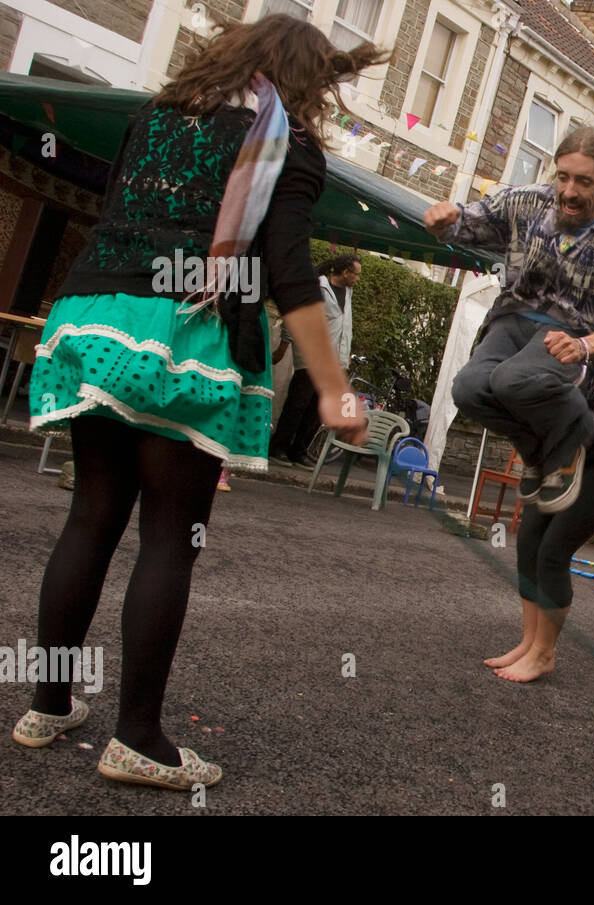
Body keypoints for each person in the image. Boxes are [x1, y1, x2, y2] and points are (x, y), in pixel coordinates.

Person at [13, 16, 377, 789]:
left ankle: (48, 701)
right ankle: (138, 737)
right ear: (303, 82)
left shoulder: (156, 115)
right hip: (185, 332)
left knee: (91, 515)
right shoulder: (285, 145)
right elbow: (287, 272)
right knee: (172, 534)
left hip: (94, 316)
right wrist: (333, 387)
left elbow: (111, 207)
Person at [423, 126, 594, 514]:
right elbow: (468, 222)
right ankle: (539, 452)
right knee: (469, 388)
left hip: (573, 339)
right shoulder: (528, 202)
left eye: (583, 182)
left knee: (511, 380)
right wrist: (443, 218)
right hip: (512, 320)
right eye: (563, 177)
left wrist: (585, 347)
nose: (568, 192)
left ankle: (575, 435)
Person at [484, 289, 594, 682]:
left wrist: (583, 352)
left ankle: (544, 654)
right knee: (530, 538)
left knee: (553, 549)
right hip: (563, 438)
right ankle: (529, 642)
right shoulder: (572, 286)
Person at [269, 254, 360, 467]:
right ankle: (278, 448)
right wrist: (284, 345)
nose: (357, 279)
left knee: (317, 408)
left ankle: (298, 451)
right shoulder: (317, 287)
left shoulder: (348, 292)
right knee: (298, 403)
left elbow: (345, 327)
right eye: (356, 274)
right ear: (345, 272)